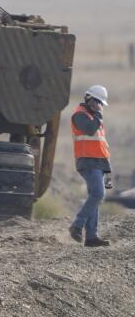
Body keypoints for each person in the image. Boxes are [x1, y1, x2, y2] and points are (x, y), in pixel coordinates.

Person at [70, 85, 112, 247]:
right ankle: (77, 225)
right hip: (87, 161)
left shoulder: (95, 118)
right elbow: (89, 130)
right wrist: (99, 115)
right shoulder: (80, 115)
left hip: (98, 162)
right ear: (89, 99)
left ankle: (91, 237)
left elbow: (102, 146)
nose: (99, 105)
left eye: (101, 103)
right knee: (98, 194)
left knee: (95, 198)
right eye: (98, 102)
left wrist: (108, 170)